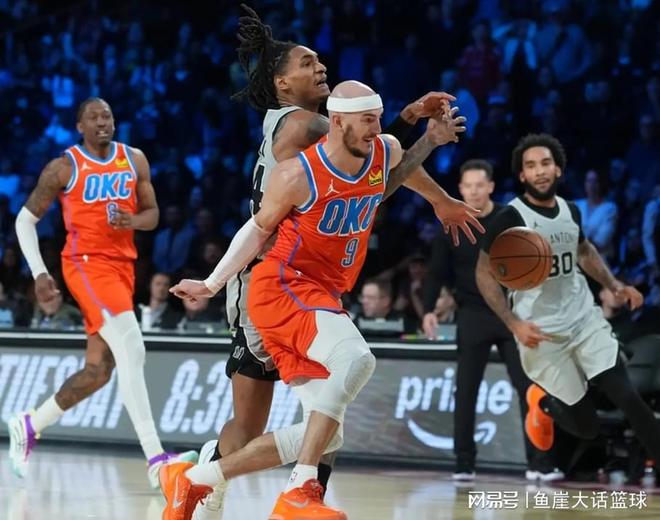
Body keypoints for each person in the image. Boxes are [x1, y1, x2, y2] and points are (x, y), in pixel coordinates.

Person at [192, 6, 484, 518]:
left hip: (310, 280)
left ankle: (297, 496)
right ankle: (206, 482)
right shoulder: (303, 123)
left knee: (330, 403)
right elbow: (371, 151)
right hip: (269, 278)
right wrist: (414, 129)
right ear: (282, 83)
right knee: (254, 422)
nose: (320, 66)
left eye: (319, 59)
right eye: (307, 63)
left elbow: (372, 170)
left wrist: (412, 124)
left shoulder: (323, 126)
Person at [9, 98, 196, 487]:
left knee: (99, 371)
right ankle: (157, 460)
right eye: (93, 117)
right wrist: (40, 273)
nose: (102, 122)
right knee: (133, 347)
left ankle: (30, 424)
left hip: (122, 268)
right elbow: (25, 221)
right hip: (85, 266)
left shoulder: (134, 159)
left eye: (107, 115)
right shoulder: (64, 167)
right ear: (79, 126)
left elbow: (153, 215)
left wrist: (132, 220)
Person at [475, 133, 660, 469]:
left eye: (546, 163)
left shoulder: (571, 210)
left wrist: (615, 285)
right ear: (522, 175)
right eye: (531, 166)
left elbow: (584, 251)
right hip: (541, 331)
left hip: (583, 319)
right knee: (587, 427)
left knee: (628, 396)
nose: (540, 171)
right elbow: (483, 273)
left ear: (558, 169)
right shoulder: (510, 217)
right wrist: (514, 324)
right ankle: (542, 403)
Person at [422, 159, 562, 482]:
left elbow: (535, 257)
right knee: (466, 390)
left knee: (529, 388)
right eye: (468, 186)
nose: (473, 191)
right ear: (460, 189)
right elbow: (435, 272)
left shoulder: (509, 218)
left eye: (479, 185)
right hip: (472, 314)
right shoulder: (451, 223)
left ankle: (540, 462)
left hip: (511, 315)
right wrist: (428, 309)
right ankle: (464, 463)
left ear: (490, 187)